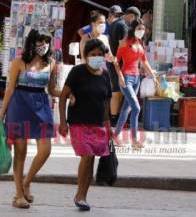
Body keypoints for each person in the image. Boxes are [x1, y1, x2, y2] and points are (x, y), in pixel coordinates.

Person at [0, 29, 60, 209]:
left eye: (46, 42)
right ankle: (18, 194)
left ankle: (26, 182)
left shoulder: (51, 63)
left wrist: (69, 94)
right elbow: (10, 88)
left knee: (46, 149)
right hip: (19, 106)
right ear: (32, 43)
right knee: (21, 152)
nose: (43, 46)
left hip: (42, 105)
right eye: (40, 42)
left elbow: (52, 90)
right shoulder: (19, 61)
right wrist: (2, 112)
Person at [59, 39, 118, 211]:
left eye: (100, 55)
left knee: (91, 158)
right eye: (93, 55)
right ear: (85, 56)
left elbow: (107, 102)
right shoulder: (77, 72)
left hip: (99, 124)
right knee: (87, 155)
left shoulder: (106, 75)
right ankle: (79, 194)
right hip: (78, 122)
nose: (97, 57)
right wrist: (63, 122)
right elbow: (63, 96)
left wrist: (109, 127)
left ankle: (83, 196)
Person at [113, 18, 158, 149]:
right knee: (136, 108)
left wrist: (153, 76)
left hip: (137, 78)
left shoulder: (140, 44)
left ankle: (115, 135)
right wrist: (120, 76)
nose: (142, 31)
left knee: (126, 109)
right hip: (126, 78)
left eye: (143, 29)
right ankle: (134, 139)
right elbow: (116, 61)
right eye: (139, 29)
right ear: (133, 29)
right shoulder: (124, 43)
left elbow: (145, 62)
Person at [107, 5, 128, 126]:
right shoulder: (122, 25)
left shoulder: (113, 26)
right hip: (118, 62)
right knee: (117, 91)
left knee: (116, 90)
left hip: (112, 61)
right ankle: (115, 119)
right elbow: (123, 45)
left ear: (111, 15)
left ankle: (114, 118)